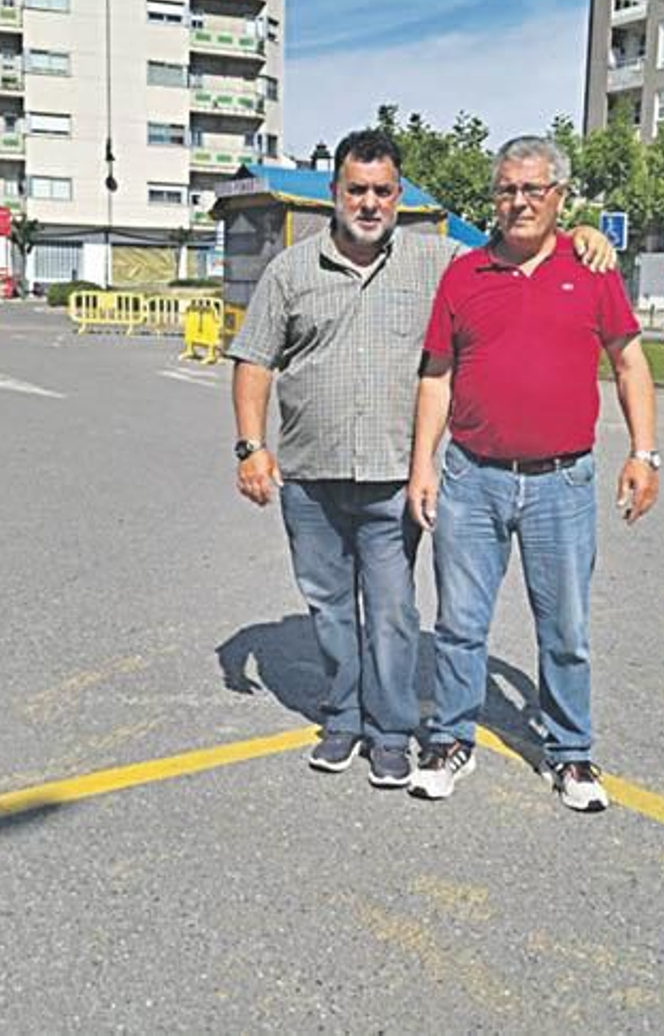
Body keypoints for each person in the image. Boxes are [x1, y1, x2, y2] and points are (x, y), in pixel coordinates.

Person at [228, 129, 617, 789]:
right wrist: (251, 447)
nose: (370, 202)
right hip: (311, 476)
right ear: (334, 193)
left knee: (392, 611)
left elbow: (519, 240)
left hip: (389, 477)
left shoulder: (438, 260)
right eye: (358, 189)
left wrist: (580, 230)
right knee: (327, 606)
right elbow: (253, 359)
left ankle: (390, 729)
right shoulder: (290, 271)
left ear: (399, 195)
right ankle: (343, 718)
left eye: (383, 190)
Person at [406, 135, 659, 812]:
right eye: (507, 189)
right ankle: (451, 737)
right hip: (471, 477)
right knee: (459, 621)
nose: (518, 201)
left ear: (559, 196)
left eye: (533, 189)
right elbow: (437, 375)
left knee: (566, 627)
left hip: (563, 483)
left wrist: (645, 451)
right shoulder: (464, 274)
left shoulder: (592, 268)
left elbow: (630, 363)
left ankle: (571, 750)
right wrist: (421, 466)